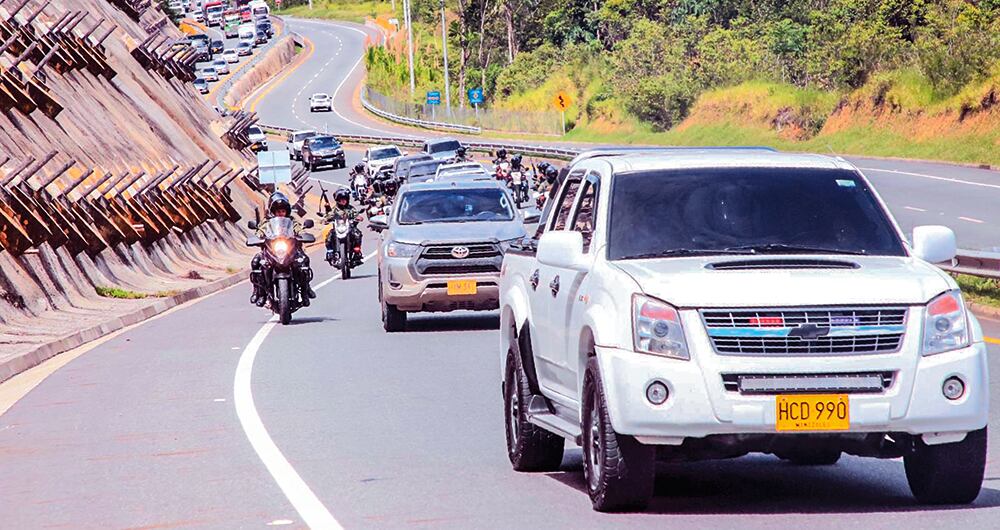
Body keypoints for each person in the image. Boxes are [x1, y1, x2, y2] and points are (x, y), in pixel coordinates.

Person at [250, 192, 316, 307]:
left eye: (283, 211)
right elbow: (260, 231)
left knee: (304, 260)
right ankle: (259, 293)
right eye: (278, 211)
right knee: (256, 262)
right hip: (271, 251)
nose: (280, 213)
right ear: (273, 212)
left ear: (287, 211)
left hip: (290, 250)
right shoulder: (267, 223)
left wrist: (302, 234)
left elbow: (300, 230)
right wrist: (258, 236)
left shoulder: (292, 221)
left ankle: (305, 290)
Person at [323, 189, 364, 266]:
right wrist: (326, 218)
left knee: (358, 234)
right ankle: (330, 252)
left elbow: (356, 214)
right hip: (338, 228)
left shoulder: (350, 208)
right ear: (337, 200)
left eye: (344, 199)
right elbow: (328, 216)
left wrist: (358, 217)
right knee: (329, 237)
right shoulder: (334, 209)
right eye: (341, 200)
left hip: (349, 228)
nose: (343, 201)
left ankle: (357, 252)